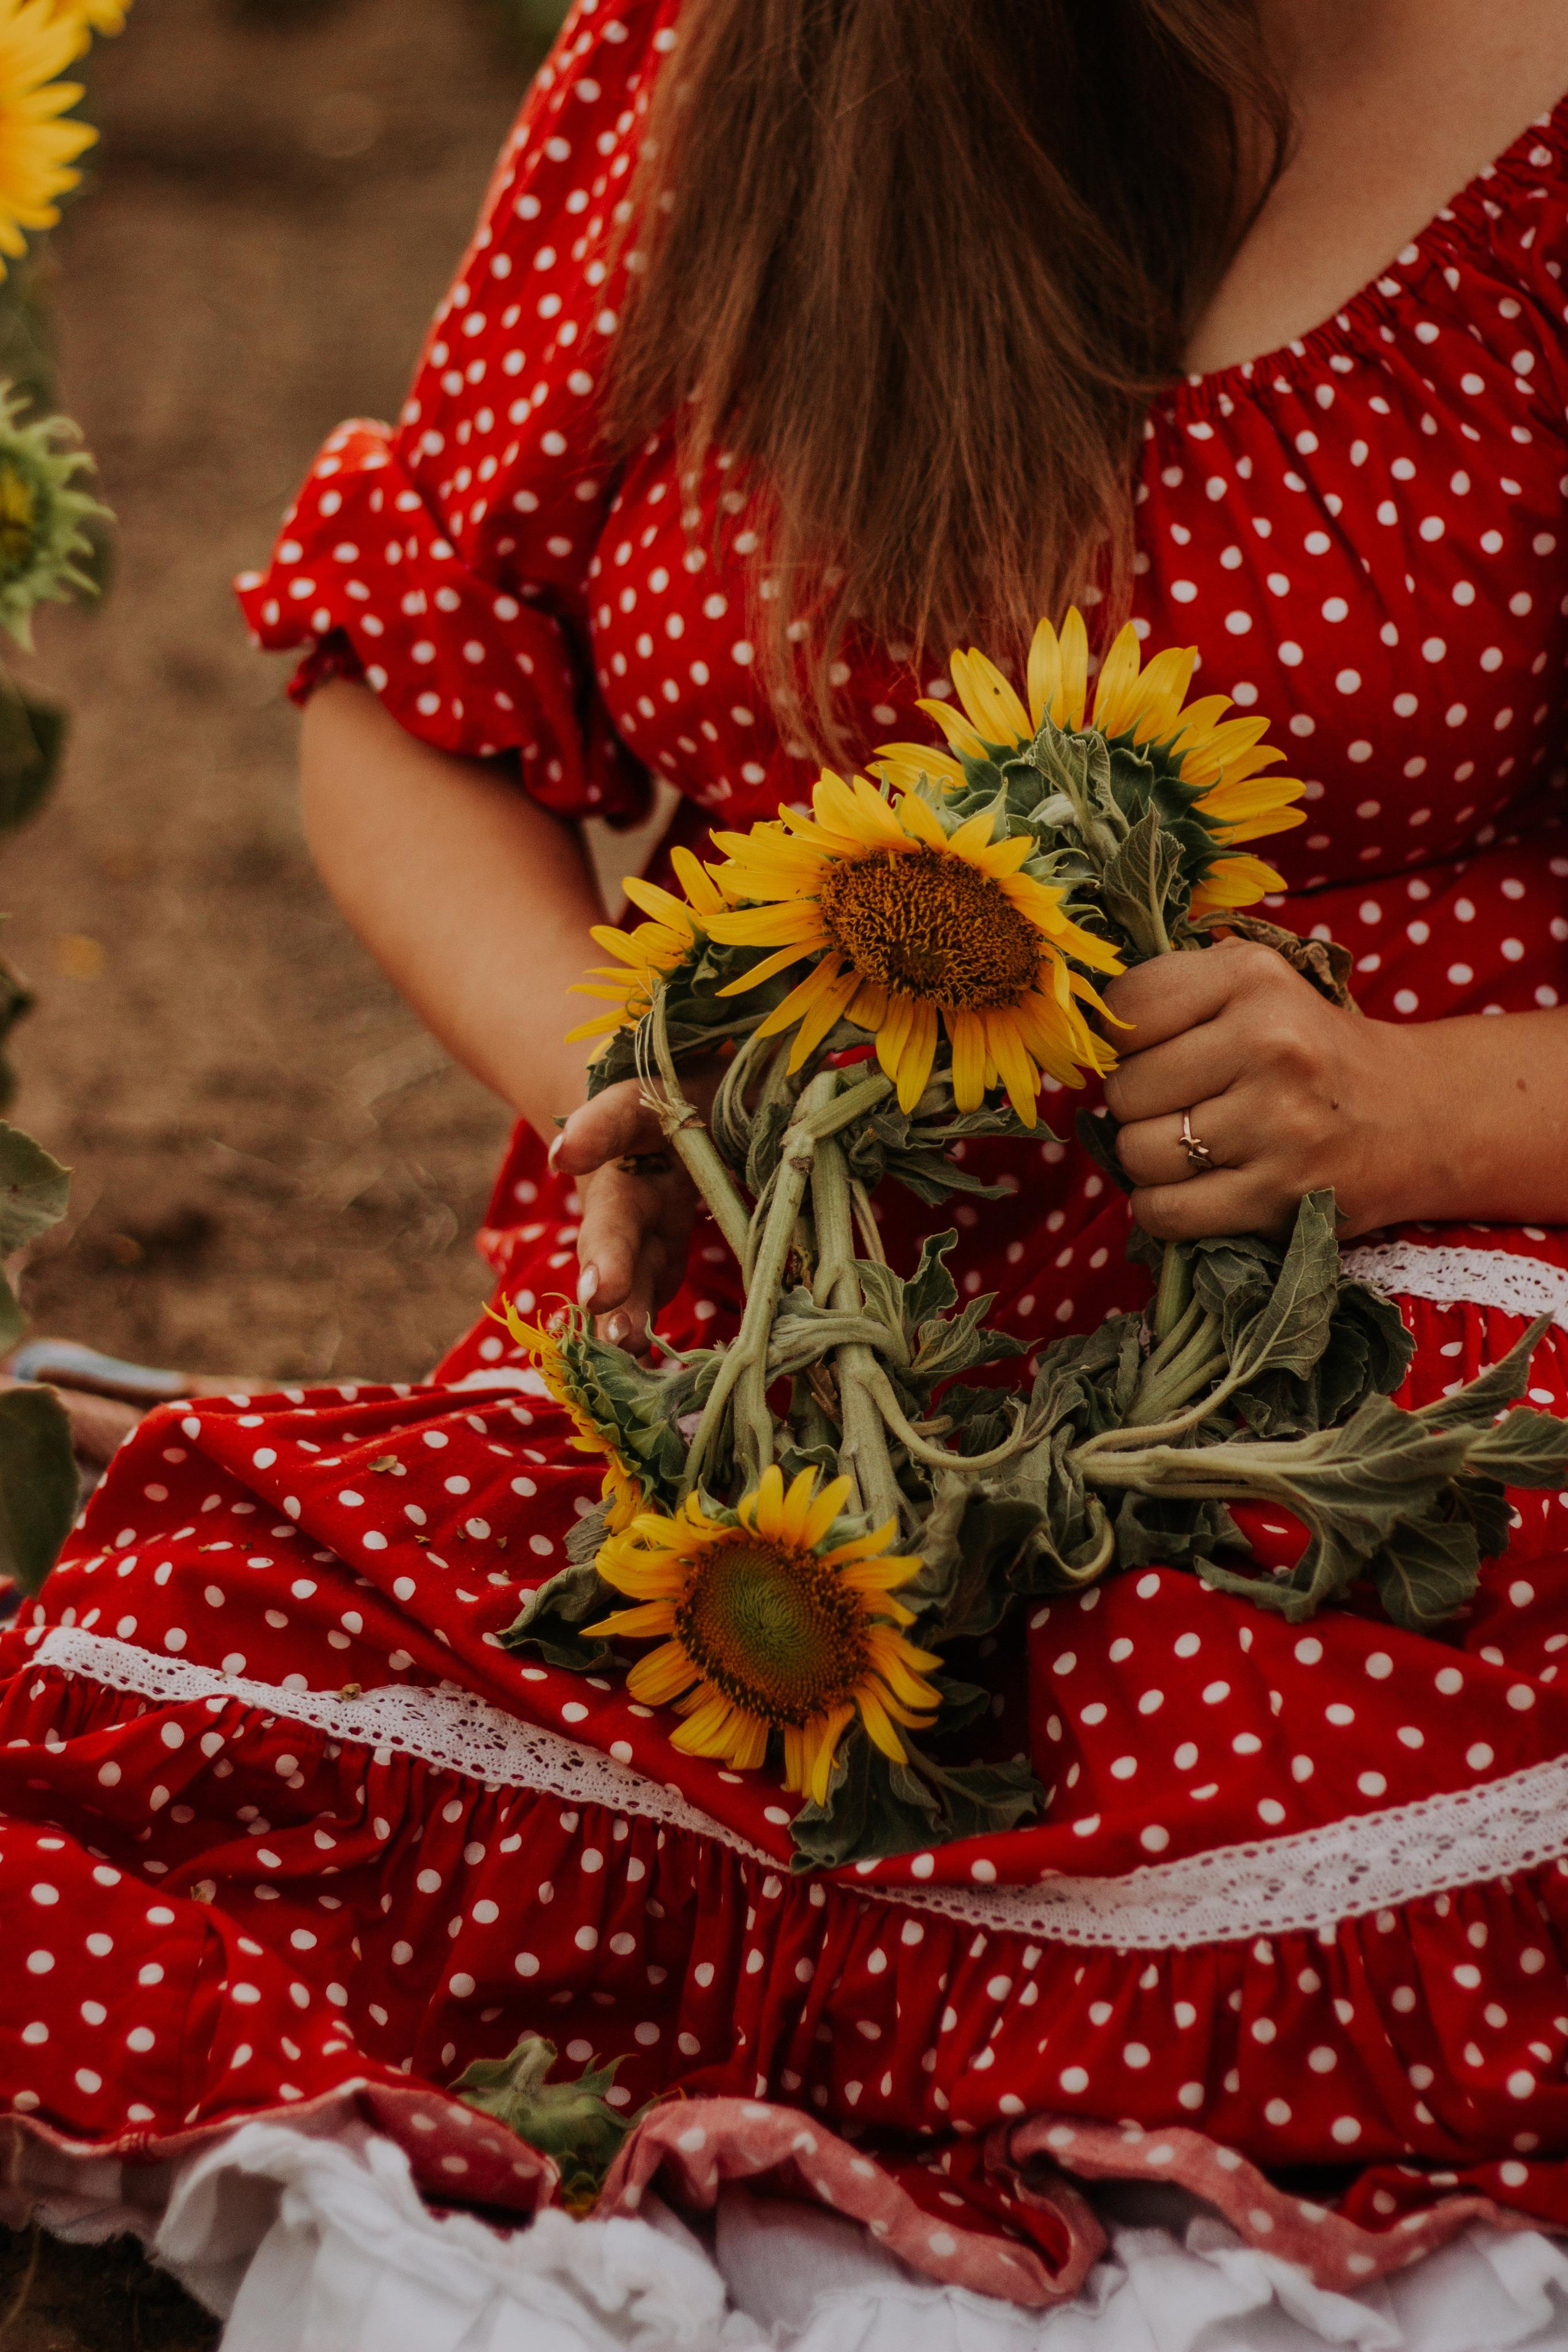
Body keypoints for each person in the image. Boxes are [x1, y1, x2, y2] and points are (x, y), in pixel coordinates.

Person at [4, 0, 1568, 2302]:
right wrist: (622, 1074)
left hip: (1363, 1318)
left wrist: (1409, 1110)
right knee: (174, 1675)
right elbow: (408, 693)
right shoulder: (729, 56)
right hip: (764, 1362)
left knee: (1446, 1636)